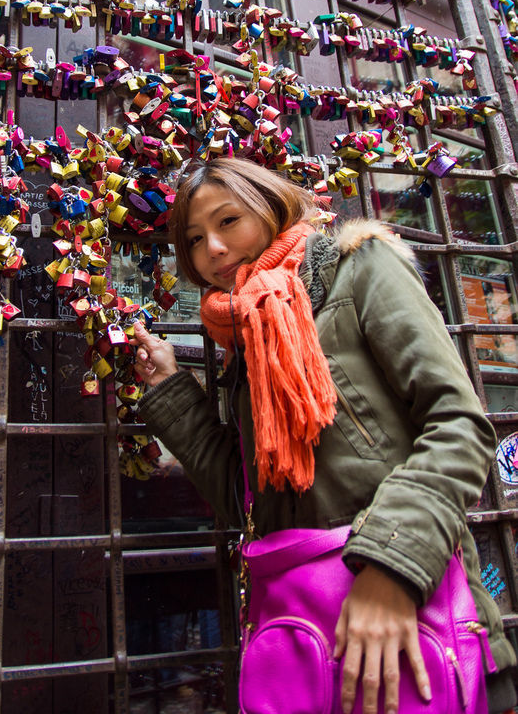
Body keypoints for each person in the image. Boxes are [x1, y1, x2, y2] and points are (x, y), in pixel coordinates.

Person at [132, 157, 517, 714]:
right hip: (303, 633)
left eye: (228, 220)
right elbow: (252, 498)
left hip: (406, 607)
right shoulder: (249, 338)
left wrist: (391, 569)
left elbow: (458, 423)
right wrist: (171, 389)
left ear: (270, 205)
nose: (211, 248)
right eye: (194, 238)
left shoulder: (359, 267)